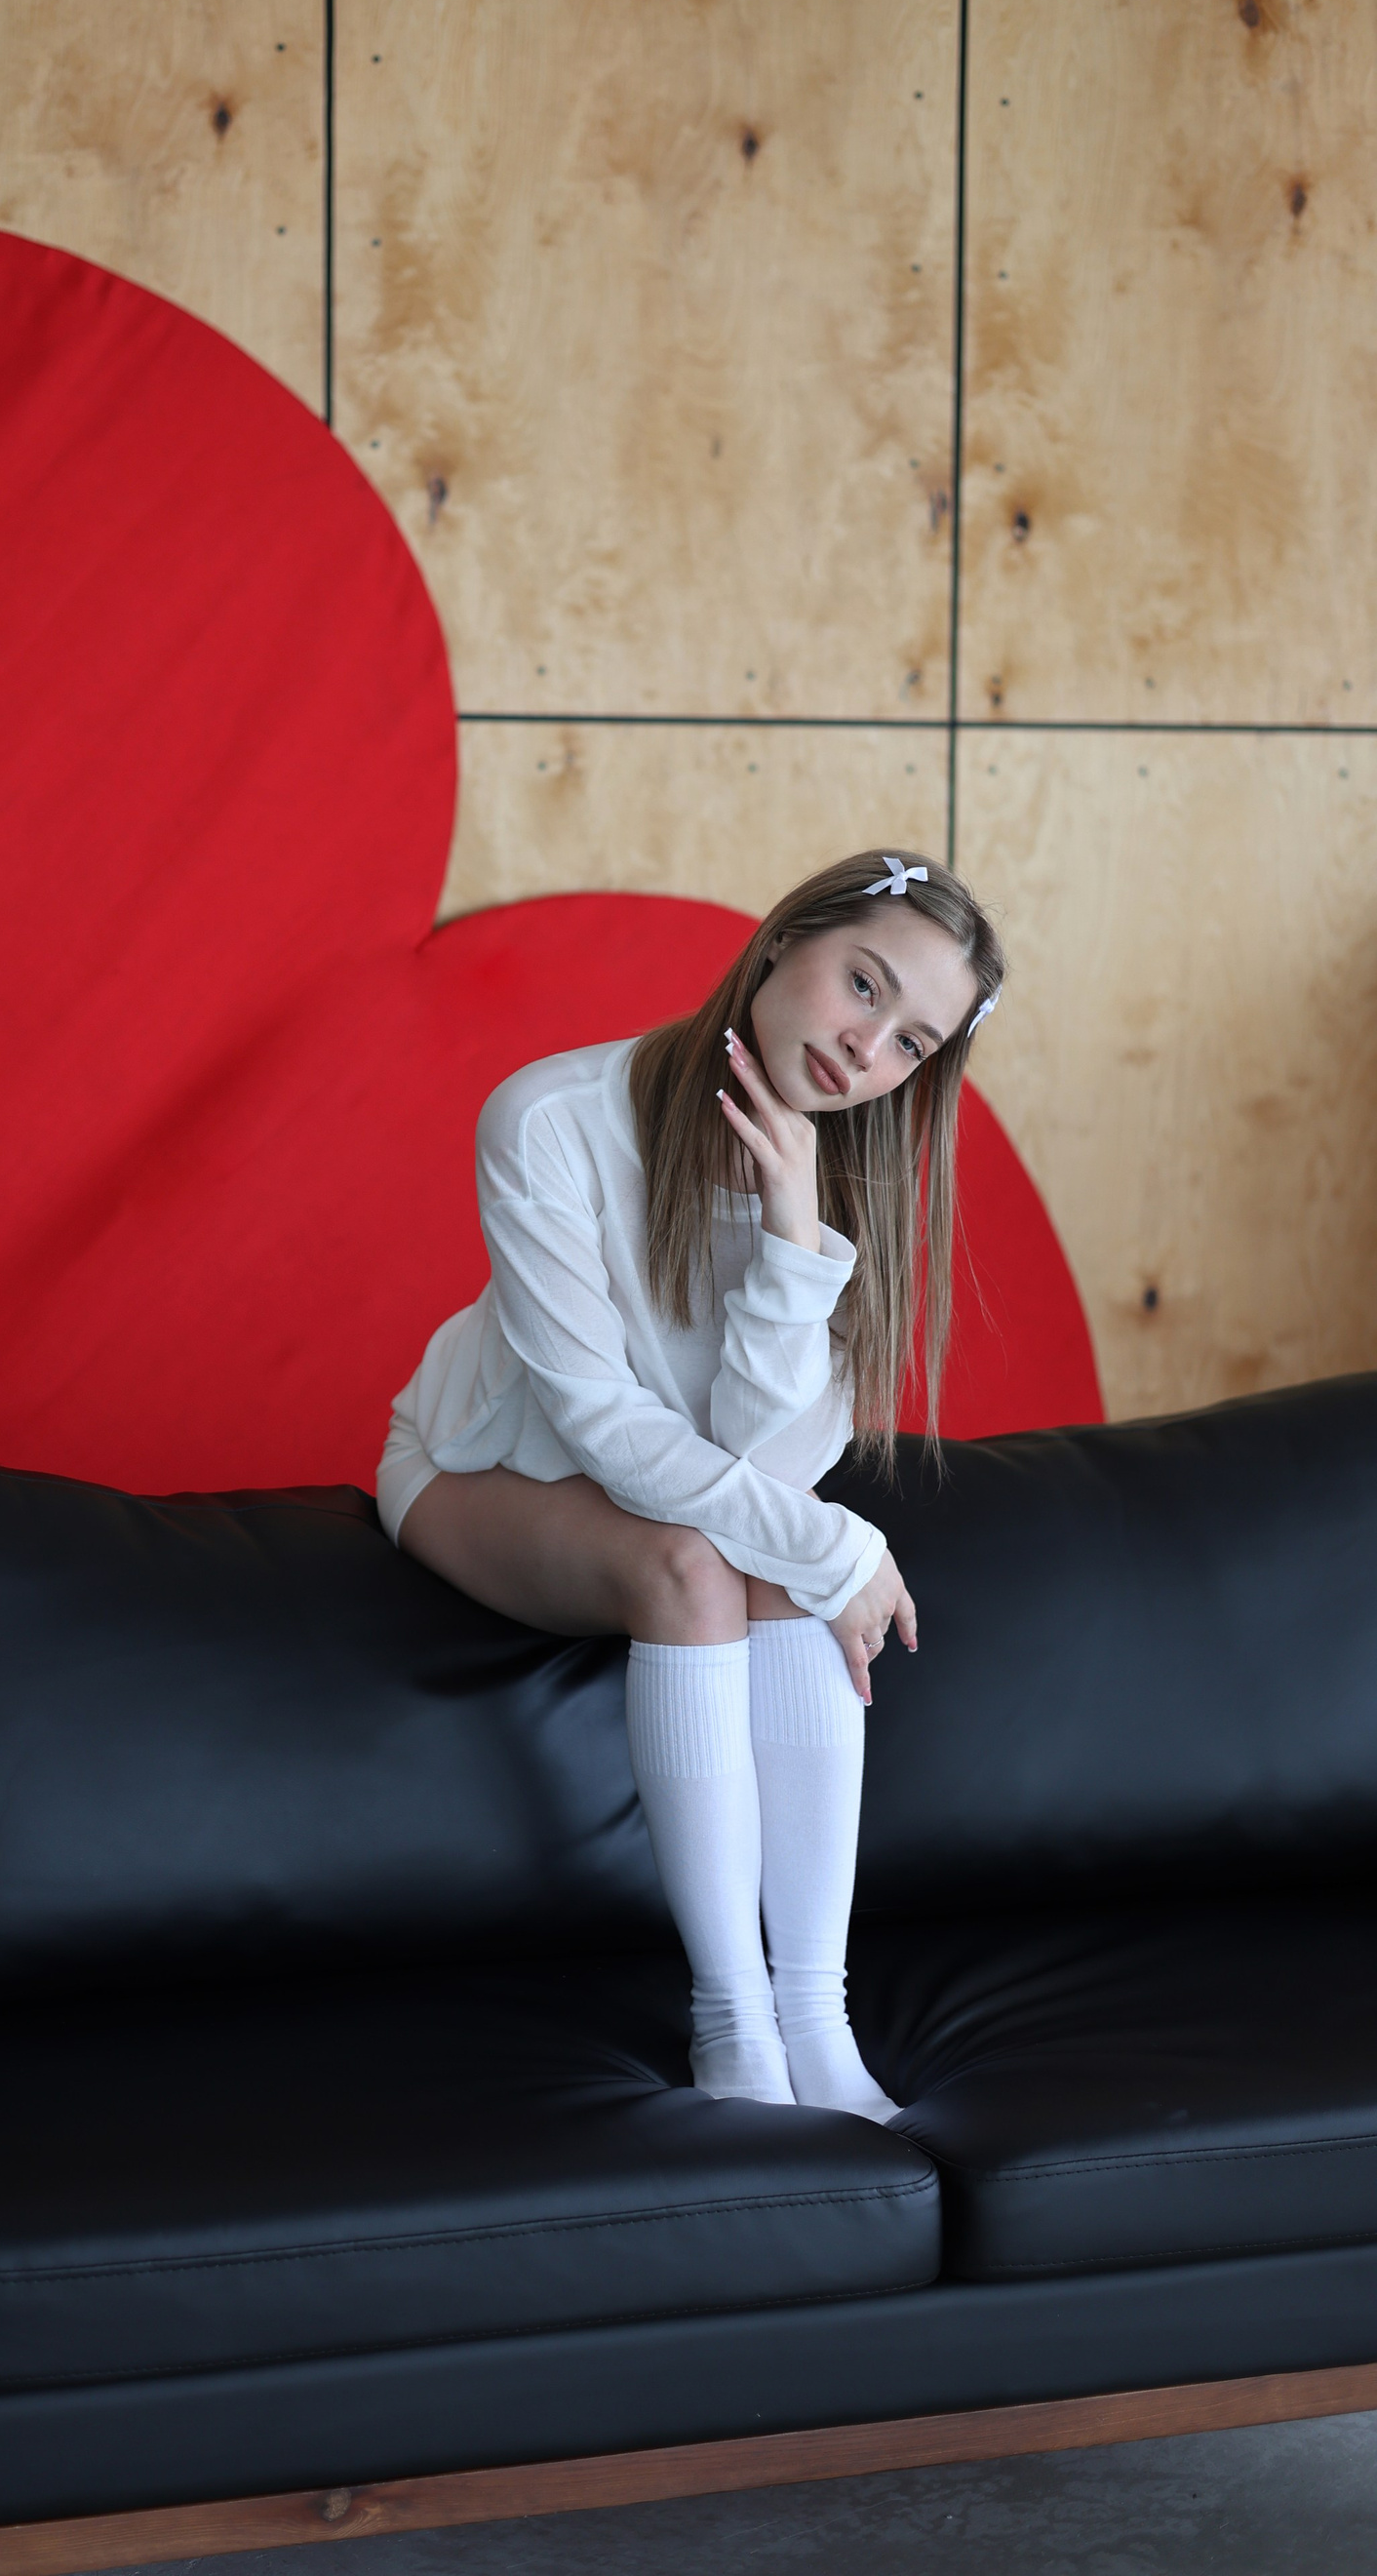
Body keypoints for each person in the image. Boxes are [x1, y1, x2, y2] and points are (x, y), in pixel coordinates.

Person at [378, 850, 1004, 2118]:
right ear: (783, 942)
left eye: (910, 1042)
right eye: (863, 983)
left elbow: (762, 1466)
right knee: (695, 1564)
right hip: (480, 1470)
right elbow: (606, 1428)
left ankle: (814, 2023)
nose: (866, 1047)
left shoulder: (847, 1196)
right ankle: (731, 2027)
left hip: (690, 1494)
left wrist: (791, 1235)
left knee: (757, 1560)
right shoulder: (550, 1120)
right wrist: (837, 1546)